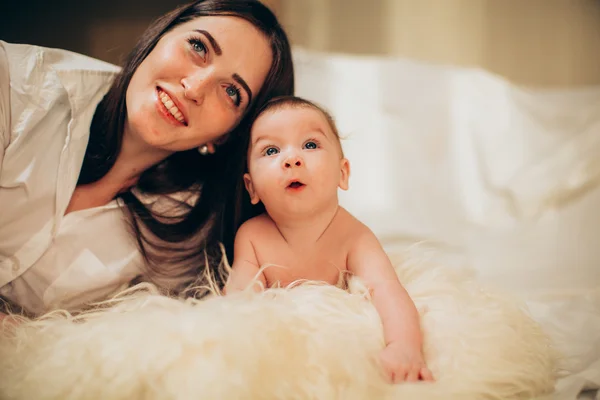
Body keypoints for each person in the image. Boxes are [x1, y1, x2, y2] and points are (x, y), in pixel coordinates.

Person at [0, 0, 294, 319]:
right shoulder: (19, 82)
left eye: (232, 92)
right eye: (198, 46)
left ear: (226, 135)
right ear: (157, 38)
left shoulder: (192, 236)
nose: (194, 88)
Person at [224, 96, 434, 384]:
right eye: (271, 150)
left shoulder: (354, 236)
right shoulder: (252, 236)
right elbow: (239, 301)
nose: (292, 159)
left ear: (342, 173)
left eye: (310, 145)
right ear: (252, 188)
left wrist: (404, 346)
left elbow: (388, 291)